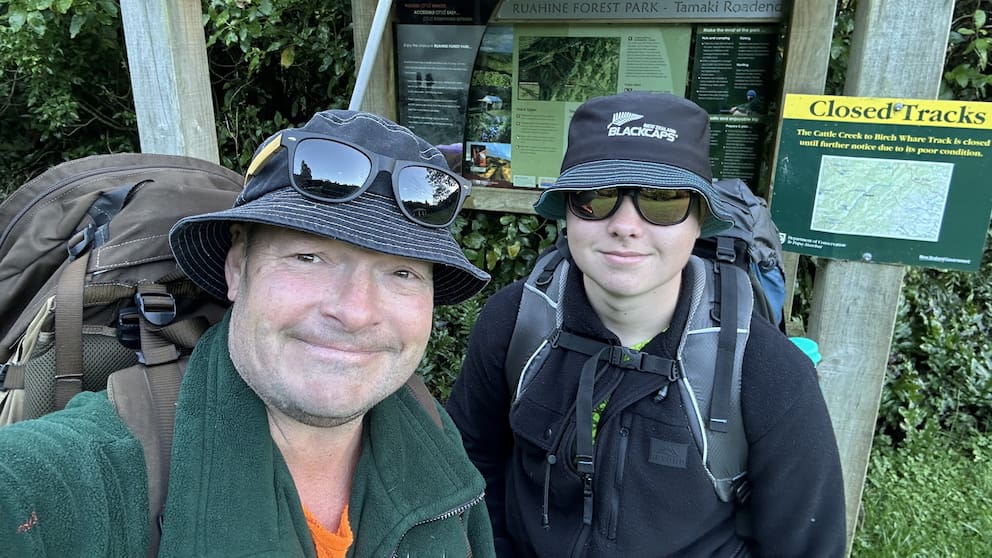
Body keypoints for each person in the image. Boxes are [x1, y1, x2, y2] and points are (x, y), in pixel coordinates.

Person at [0, 110, 497, 557]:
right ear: (238, 267)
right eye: (309, 257)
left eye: (402, 273)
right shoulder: (100, 469)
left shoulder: (429, 428)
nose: (355, 311)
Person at [445, 92, 846, 557]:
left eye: (662, 200)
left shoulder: (768, 373)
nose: (626, 225)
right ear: (568, 213)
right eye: (597, 197)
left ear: (700, 222)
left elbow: (807, 546)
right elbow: (471, 462)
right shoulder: (516, 323)